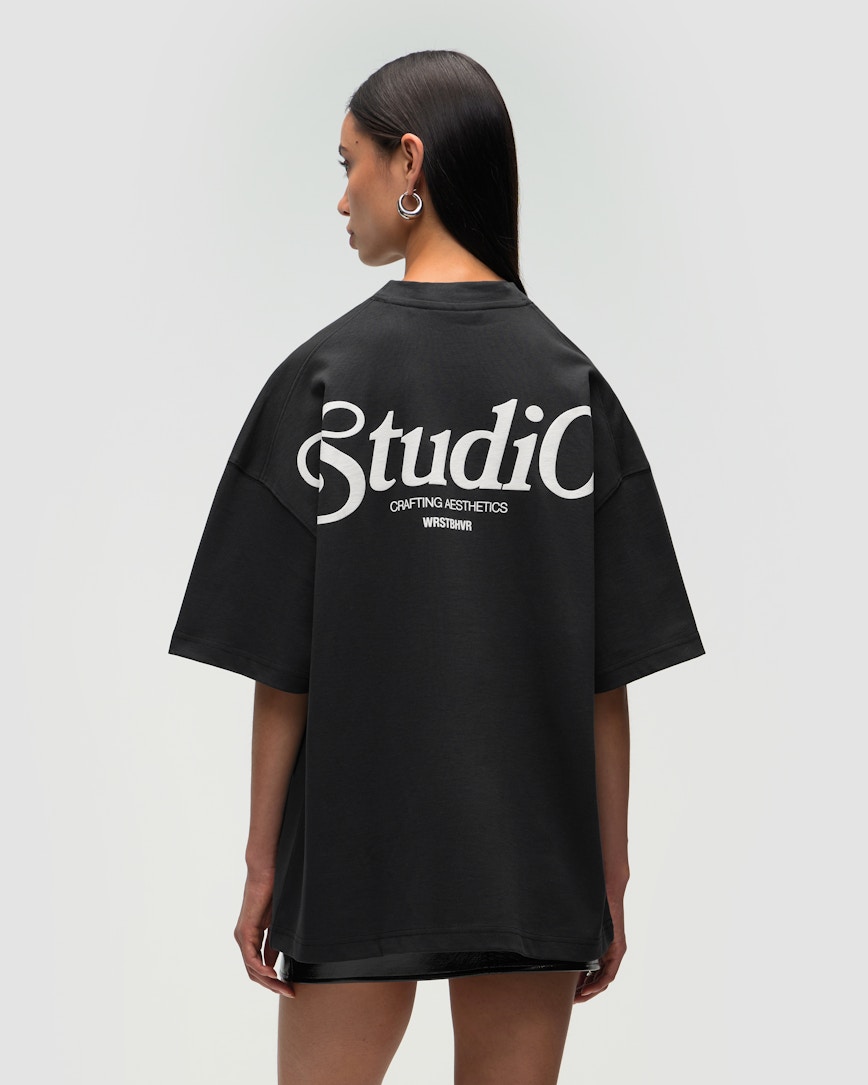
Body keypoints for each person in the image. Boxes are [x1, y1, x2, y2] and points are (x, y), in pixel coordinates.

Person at [168, 49, 705, 1085]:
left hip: (356, 850)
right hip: (529, 857)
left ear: (407, 162)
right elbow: (605, 677)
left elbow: (284, 668)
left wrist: (263, 864)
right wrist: (608, 871)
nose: (342, 198)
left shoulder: (322, 380)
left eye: (349, 164)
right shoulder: (572, 388)